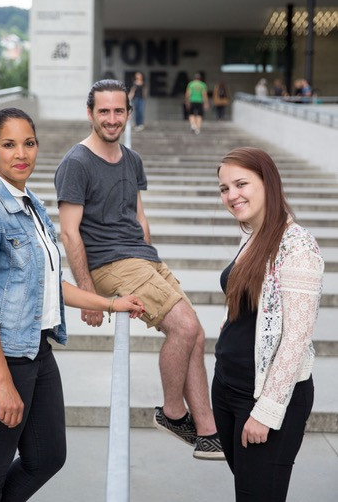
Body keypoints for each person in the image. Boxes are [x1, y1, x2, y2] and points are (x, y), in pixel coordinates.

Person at [0, 107, 144, 501]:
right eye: (9, 145)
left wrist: (110, 303)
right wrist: (3, 383)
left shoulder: (29, 202)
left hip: (33, 346)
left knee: (48, 455)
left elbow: (48, 283)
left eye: (29, 143)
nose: (21, 154)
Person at [54, 79, 224, 461]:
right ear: (90, 113)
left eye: (118, 111)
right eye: (104, 111)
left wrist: (152, 258)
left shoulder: (131, 159)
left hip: (143, 258)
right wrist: (91, 297)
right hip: (110, 265)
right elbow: (69, 232)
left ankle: (209, 431)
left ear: (128, 114)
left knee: (195, 335)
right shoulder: (76, 163)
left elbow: (139, 215)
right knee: (186, 328)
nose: (111, 119)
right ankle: (172, 412)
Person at [214, 147, 324, 501]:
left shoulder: (298, 247)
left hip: (264, 399)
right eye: (224, 188)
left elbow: (296, 338)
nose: (232, 195)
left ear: (268, 182)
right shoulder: (252, 234)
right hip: (229, 387)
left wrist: (266, 413)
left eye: (241, 184)